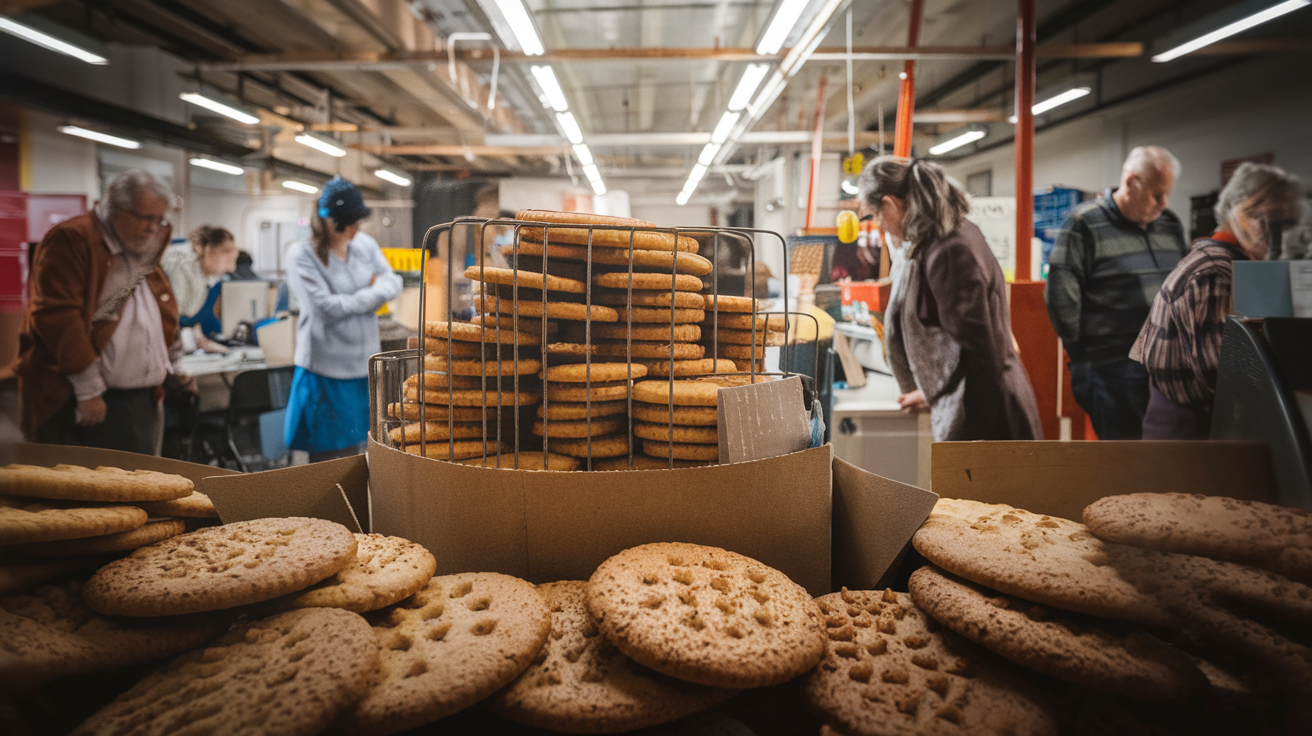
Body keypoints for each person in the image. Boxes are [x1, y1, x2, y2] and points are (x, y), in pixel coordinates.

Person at [860, 156, 1042, 441]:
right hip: (979, 403)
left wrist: (945, 396)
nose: (880, 225)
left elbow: (981, 349)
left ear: (890, 204)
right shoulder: (947, 236)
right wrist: (934, 389)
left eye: (876, 215)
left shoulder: (948, 251)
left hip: (987, 416)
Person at [16, 169, 192, 456]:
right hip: (86, 399)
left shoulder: (141, 243)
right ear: (113, 208)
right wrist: (88, 389)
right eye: (144, 217)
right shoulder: (73, 239)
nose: (153, 228)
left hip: (140, 400)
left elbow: (156, 307)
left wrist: (174, 362)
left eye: (160, 219)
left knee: (142, 489)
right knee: (85, 491)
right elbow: (57, 317)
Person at [1132, 163, 1305, 440]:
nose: (1281, 236)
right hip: (1188, 435)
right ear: (1242, 213)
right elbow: (1221, 371)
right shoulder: (1214, 271)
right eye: (1273, 221)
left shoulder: (1225, 262)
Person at [1044, 146, 1188, 440]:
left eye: (1166, 193)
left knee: (1166, 459)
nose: (1163, 203)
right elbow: (1061, 295)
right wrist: (1084, 356)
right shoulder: (1085, 223)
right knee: (1125, 460)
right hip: (1111, 367)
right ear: (1131, 182)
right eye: (1156, 193)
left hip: (1164, 364)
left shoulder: (1168, 224)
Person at [284, 177, 402, 462]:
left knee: (365, 454)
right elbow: (325, 308)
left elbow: (393, 280)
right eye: (349, 222)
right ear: (328, 221)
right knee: (331, 460)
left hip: (363, 368)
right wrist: (373, 297)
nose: (355, 229)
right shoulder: (302, 255)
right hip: (325, 371)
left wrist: (357, 300)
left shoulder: (363, 244)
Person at [161, 225, 238, 354]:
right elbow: (172, 314)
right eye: (228, 257)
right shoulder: (181, 263)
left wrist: (202, 341)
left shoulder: (197, 271)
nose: (232, 268)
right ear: (208, 250)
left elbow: (187, 322)